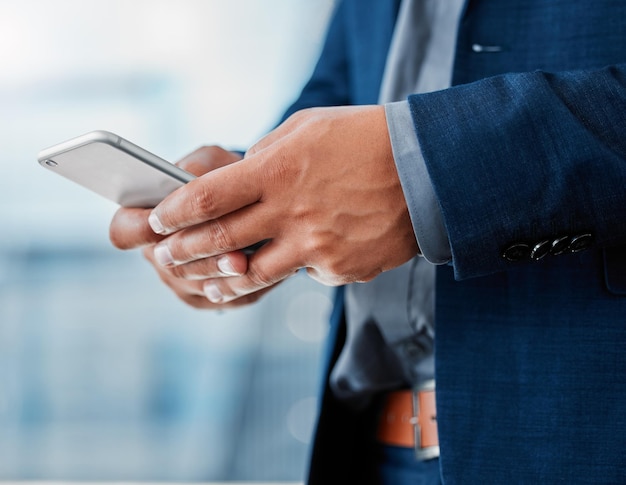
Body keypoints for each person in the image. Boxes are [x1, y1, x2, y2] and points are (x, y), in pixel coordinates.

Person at [109, 0, 626, 483]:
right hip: (377, 447)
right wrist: (239, 203)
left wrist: (429, 172)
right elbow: (337, 99)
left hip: (584, 440)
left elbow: (394, 153)